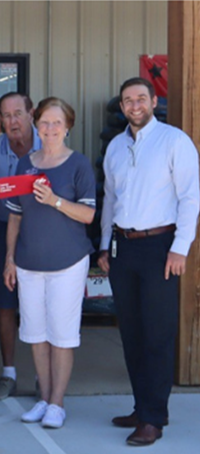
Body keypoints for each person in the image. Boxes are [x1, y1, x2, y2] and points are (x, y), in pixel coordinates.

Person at [98, 77, 200, 446]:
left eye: (141, 98)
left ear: (154, 101)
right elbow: (110, 199)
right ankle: (142, 407)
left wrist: (180, 248)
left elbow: (190, 197)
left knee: (157, 333)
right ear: (122, 106)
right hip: (123, 248)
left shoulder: (175, 141)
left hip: (161, 247)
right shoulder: (115, 146)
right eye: (128, 100)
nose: (134, 105)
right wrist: (105, 245)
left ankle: (154, 418)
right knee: (132, 333)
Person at [2, 97, 96, 429]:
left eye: (57, 123)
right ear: (35, 125)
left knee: (62, 335)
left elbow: (88, 214)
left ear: (68, 126)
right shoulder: (24, 164)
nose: (50, 129)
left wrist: (55, 201)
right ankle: (43, 399)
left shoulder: (79, 164)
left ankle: (57, 402)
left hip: (67, 262)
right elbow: (14, 217)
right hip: (28, 263)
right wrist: (10, 259)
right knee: (36, 334)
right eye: (44, 122)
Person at [0, 92, 42, 402]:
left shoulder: (49, 144)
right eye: (6, 116)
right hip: (3, 230)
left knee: (36, 304)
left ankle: (41, 375)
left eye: (18, 113)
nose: (13, 121)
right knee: (4, 305)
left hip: (39, 233)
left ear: (31, 113)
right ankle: (8, 374)